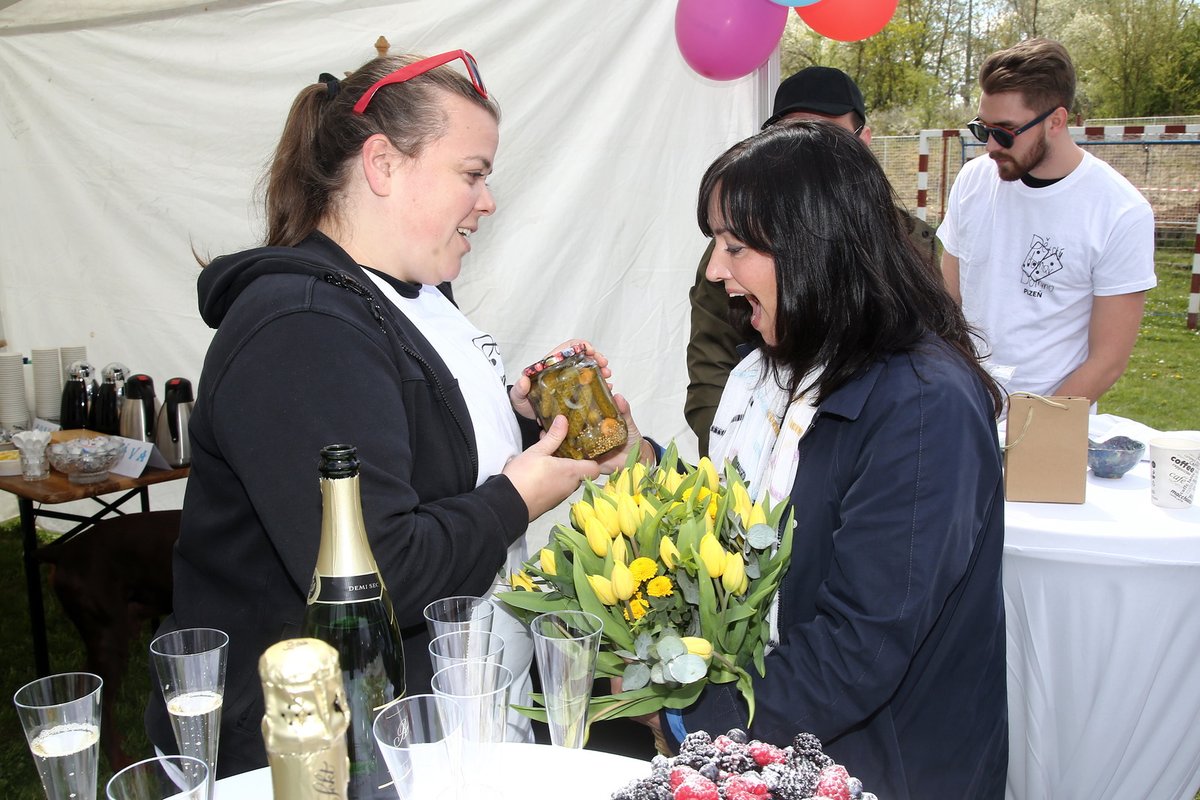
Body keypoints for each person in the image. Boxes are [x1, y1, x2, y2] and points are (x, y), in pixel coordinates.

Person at [145, 51, 609, 776]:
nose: (487, 201)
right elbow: (378, 574)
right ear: (383, 164)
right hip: (313, 756)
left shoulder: (410, 295)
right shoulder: (300, 326)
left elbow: (414, 451)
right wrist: (517, 500)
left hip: (420, 721)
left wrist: (524, 419)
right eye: (473, 173)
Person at [629, 121, 1008, 798]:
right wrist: (643, 457)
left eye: (735, 245)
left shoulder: (924, 408)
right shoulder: (784, 368)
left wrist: (687, 713)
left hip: (885, 771)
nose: (716, 271)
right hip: (783, 746)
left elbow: (858, 648)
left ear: (813, 247)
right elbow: (753, 520)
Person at [686, 66, 936, 454]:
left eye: (827, 138)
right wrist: (741, 461)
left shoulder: (913, 248)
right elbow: (710, 371)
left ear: (863, 142)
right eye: (788, 137)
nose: (805, 154)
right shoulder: (735, 256)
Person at [938, 38, 1156, 403]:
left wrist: (1032, 431)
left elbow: (1107, 360)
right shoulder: (973, 180)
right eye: (982, 128)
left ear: (1056, 120)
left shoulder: (1121, 211)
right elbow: (946, 302)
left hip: (1048, 420)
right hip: (962, 404)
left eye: (1005, 132)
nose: (990, 146)